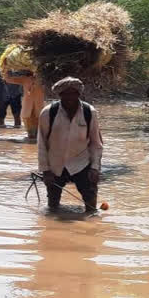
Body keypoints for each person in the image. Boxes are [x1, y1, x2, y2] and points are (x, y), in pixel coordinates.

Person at [38, 77, 103, 211]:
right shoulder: (48, 112)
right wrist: (45, 170)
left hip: (81, 163)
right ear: (59, 95)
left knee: (91, 205)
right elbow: (41, 144)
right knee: (52, 207)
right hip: (55, 164)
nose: (69, 98)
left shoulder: (89, 112)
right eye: (65, 94)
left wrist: (95, 167)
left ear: (79, 94)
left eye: (73, 93)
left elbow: (96, 142)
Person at [0, 63, 23, 128]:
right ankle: (6, 133)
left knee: (16, 117)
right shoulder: (0, 65)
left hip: (13, 94)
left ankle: (15, 132)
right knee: (2, 118)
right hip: (4, 95)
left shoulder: (17, 65)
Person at [19, 73, 45, 139]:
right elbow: (8, 79)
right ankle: (31, 147)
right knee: (30, 134)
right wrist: (5, 71)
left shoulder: (43, 79)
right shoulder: (24, 79)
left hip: (39, 111)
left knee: (38, 134)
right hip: (27, 111)